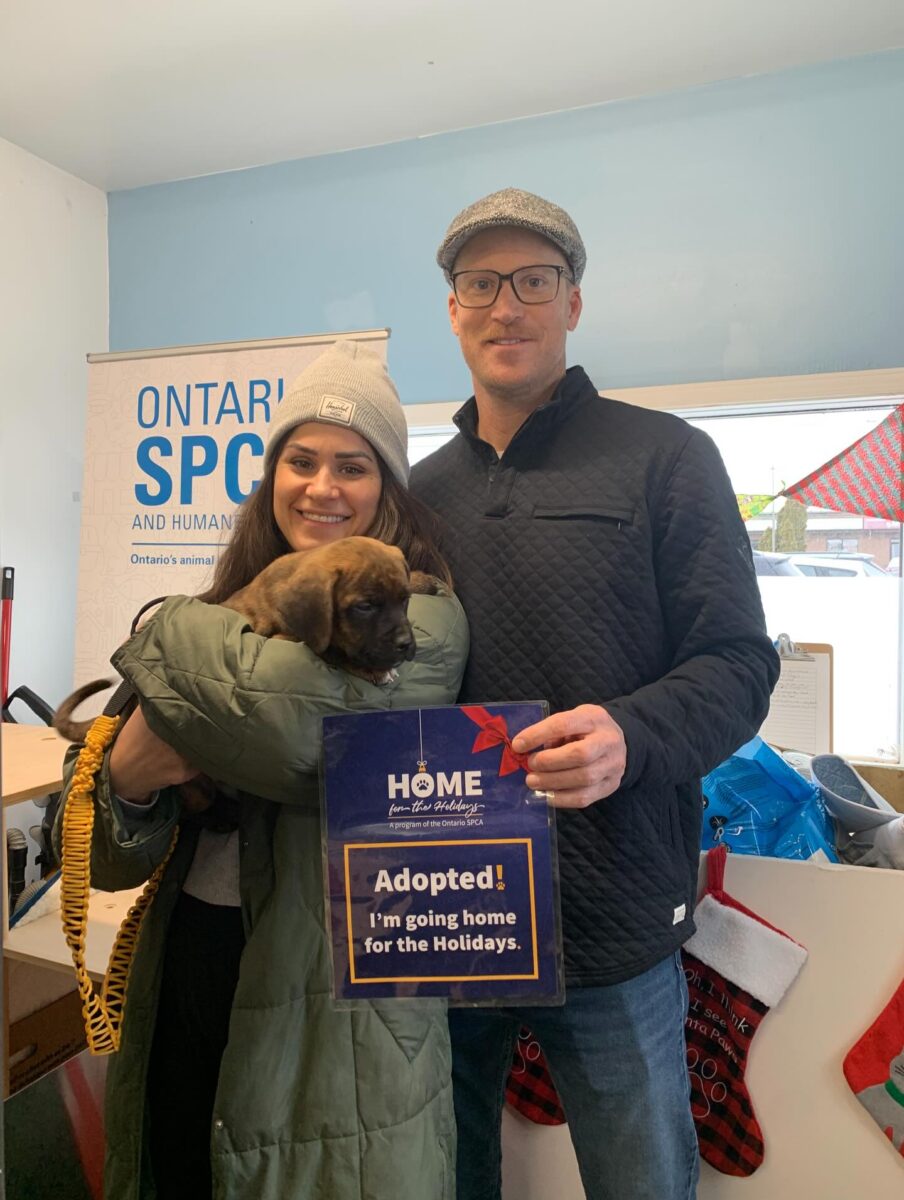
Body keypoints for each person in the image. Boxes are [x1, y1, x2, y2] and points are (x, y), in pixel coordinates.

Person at [409, 188, 781, 1200]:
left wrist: (631, 734)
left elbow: (739, 663)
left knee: (641, 1179)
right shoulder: (418, 495)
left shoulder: (667, 457)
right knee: (441, 1174)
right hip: (448, 907)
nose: (505, 305)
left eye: (533, 280)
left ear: (572, 303)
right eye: (480, 283)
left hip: (614, 915)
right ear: (452, 309)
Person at [55, 341, 468, 1200]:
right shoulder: (229, 602)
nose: (322, 487)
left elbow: (290, 728)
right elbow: (94, 854)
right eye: (300, 460)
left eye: (353, 466)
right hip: (190, 956)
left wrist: (168, 633)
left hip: (334, 1009)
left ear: (388, 488)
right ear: (272, 474)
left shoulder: (421, 612)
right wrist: (128, 779)